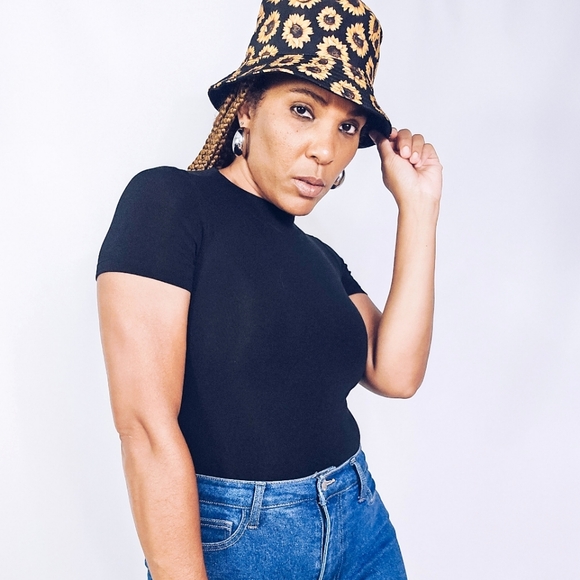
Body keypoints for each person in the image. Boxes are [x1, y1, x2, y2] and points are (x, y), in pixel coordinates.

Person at [96, 0, 442, 578]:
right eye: (303, 110)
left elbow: (396, 373)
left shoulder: (320, 258)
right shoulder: (169, 204)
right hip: (241, 542)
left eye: (348, 127)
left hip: (360, 522)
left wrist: (419, 207)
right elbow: (147, 430)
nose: (326, 151)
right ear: (248, 107)